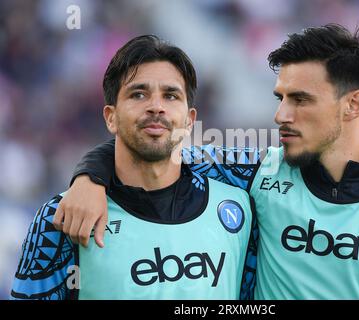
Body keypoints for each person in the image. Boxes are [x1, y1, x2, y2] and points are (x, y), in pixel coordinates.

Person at [54, 25, 359, 300]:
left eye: (300, 100)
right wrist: (90, 176)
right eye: (281, 98)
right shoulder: (257, 172)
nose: (281, 115)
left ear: (353, 104)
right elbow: (155, 148)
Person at [10, 35, 256, 300]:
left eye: (171, 95)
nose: (156, 107)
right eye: (138, 94)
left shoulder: (240, 203)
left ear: (189, 120)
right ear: (111, 117)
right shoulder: (62, 218)